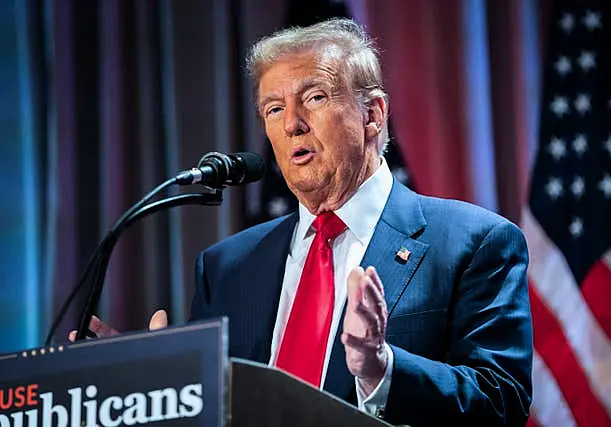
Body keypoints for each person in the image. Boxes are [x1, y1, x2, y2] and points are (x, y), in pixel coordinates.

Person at [76, 18, 533, 426]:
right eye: (274, 109)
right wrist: (157, 382)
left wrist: (381, 368)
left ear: (372, 115)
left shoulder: (473, 243)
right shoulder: (227, 266)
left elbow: (502, 401)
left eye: (314, 97)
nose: (292, 124)